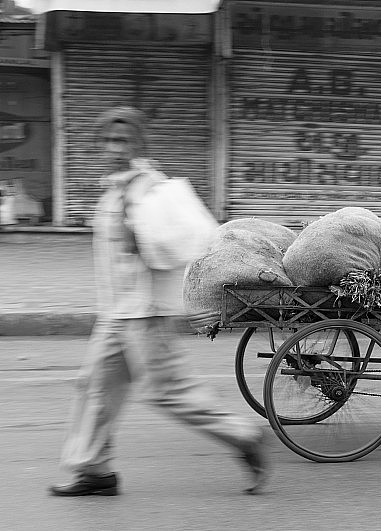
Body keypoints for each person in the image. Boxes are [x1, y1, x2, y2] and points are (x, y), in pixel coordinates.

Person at [49, 106, 269, 497]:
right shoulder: (118, 186)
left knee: (167, 390)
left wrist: (136, 229)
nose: (113, 148)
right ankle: (93, 469)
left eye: (122, 140)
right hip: (117, 313)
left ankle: (243, 434)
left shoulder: (146, 187)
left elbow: (160, 245)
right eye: (106, 141)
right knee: (95, 386)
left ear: (137, 143)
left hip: (146, 312)